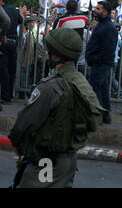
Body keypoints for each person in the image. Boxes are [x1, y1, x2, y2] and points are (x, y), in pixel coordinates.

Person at [8, 28, 105, 188]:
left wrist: (16, 141)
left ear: (56, 54)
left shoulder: (51, 86)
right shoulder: (80, 81)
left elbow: (24, 122)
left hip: (46, 160)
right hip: (68, 159)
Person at [86, 0, 118, 124]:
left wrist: (94, 59)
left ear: (105, 12)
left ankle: (98, 115)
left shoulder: (108, 27)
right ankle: (105, 115)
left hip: (101, 64)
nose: (95, 10)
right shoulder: (103, 25)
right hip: (99, 63)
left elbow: (108, 50)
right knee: (102, 88)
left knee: (95, 88)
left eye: (98, 9)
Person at [0, 0, 23, 103]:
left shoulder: (0, 10)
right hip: (14, 42)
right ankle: (10, 93)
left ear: (1, 0)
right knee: (12, 69)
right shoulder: (14, 10)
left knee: (3, 69)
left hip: (4, 40)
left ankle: (5, 95)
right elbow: (21, 21)